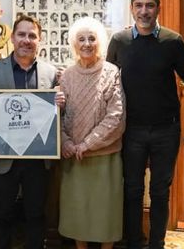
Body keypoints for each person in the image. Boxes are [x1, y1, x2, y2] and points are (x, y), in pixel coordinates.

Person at [0, 14, 65, 249]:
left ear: (39, 40)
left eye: (32, 36)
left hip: (38, 159)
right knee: (1, 216)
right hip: (2, 157)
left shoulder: (51, 74)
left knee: (36, 216)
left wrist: (61, 103)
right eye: (22, 34)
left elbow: (54, 117)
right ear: (13, 37)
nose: (26, 40)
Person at [106, 0, 184, 249]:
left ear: (157, 9)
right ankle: (134, 243)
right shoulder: (119, 41)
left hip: (167, 129)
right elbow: (105, 81)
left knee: (160, 193)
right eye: (139, 6)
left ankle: (157, 244)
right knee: (132, 191)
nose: (144, 11)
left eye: (149, 5)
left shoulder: (173, 41)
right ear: (131, 9)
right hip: (131, 130)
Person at [58, 17, 125, 249]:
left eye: (92, 38)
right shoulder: (66, 75)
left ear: (101, 42)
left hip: (103, 156)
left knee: (106, 212)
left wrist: (86, 144)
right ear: (74, 44)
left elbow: (116, 117)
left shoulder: (111, 72)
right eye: (81, 39)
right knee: (78, 211)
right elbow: (59, 115)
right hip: (73, 157)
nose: (87, 43)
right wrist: (66, 142)